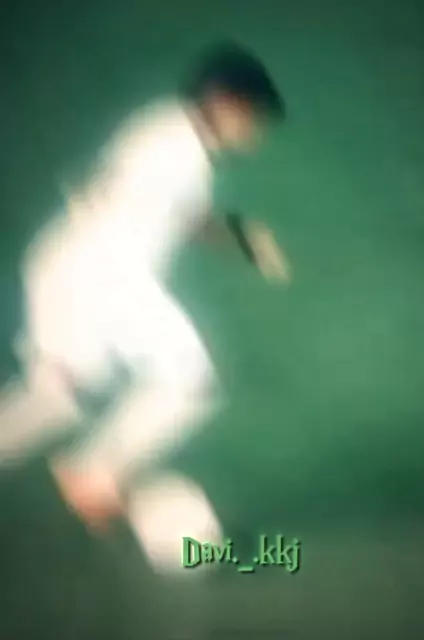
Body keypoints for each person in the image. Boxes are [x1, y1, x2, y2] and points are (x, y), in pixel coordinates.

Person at [0, 41, 290, 567]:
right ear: (224, 101)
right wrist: (244, 238)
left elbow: (176, 214)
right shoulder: (176, 145)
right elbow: (181, 217)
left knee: (57, 400)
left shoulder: (169, 132)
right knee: (183, 381)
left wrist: (241, 238)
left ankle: (97, 475)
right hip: (96, 276)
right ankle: (94, 473)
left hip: (84, 273)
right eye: (252, 120)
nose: (253, 136)